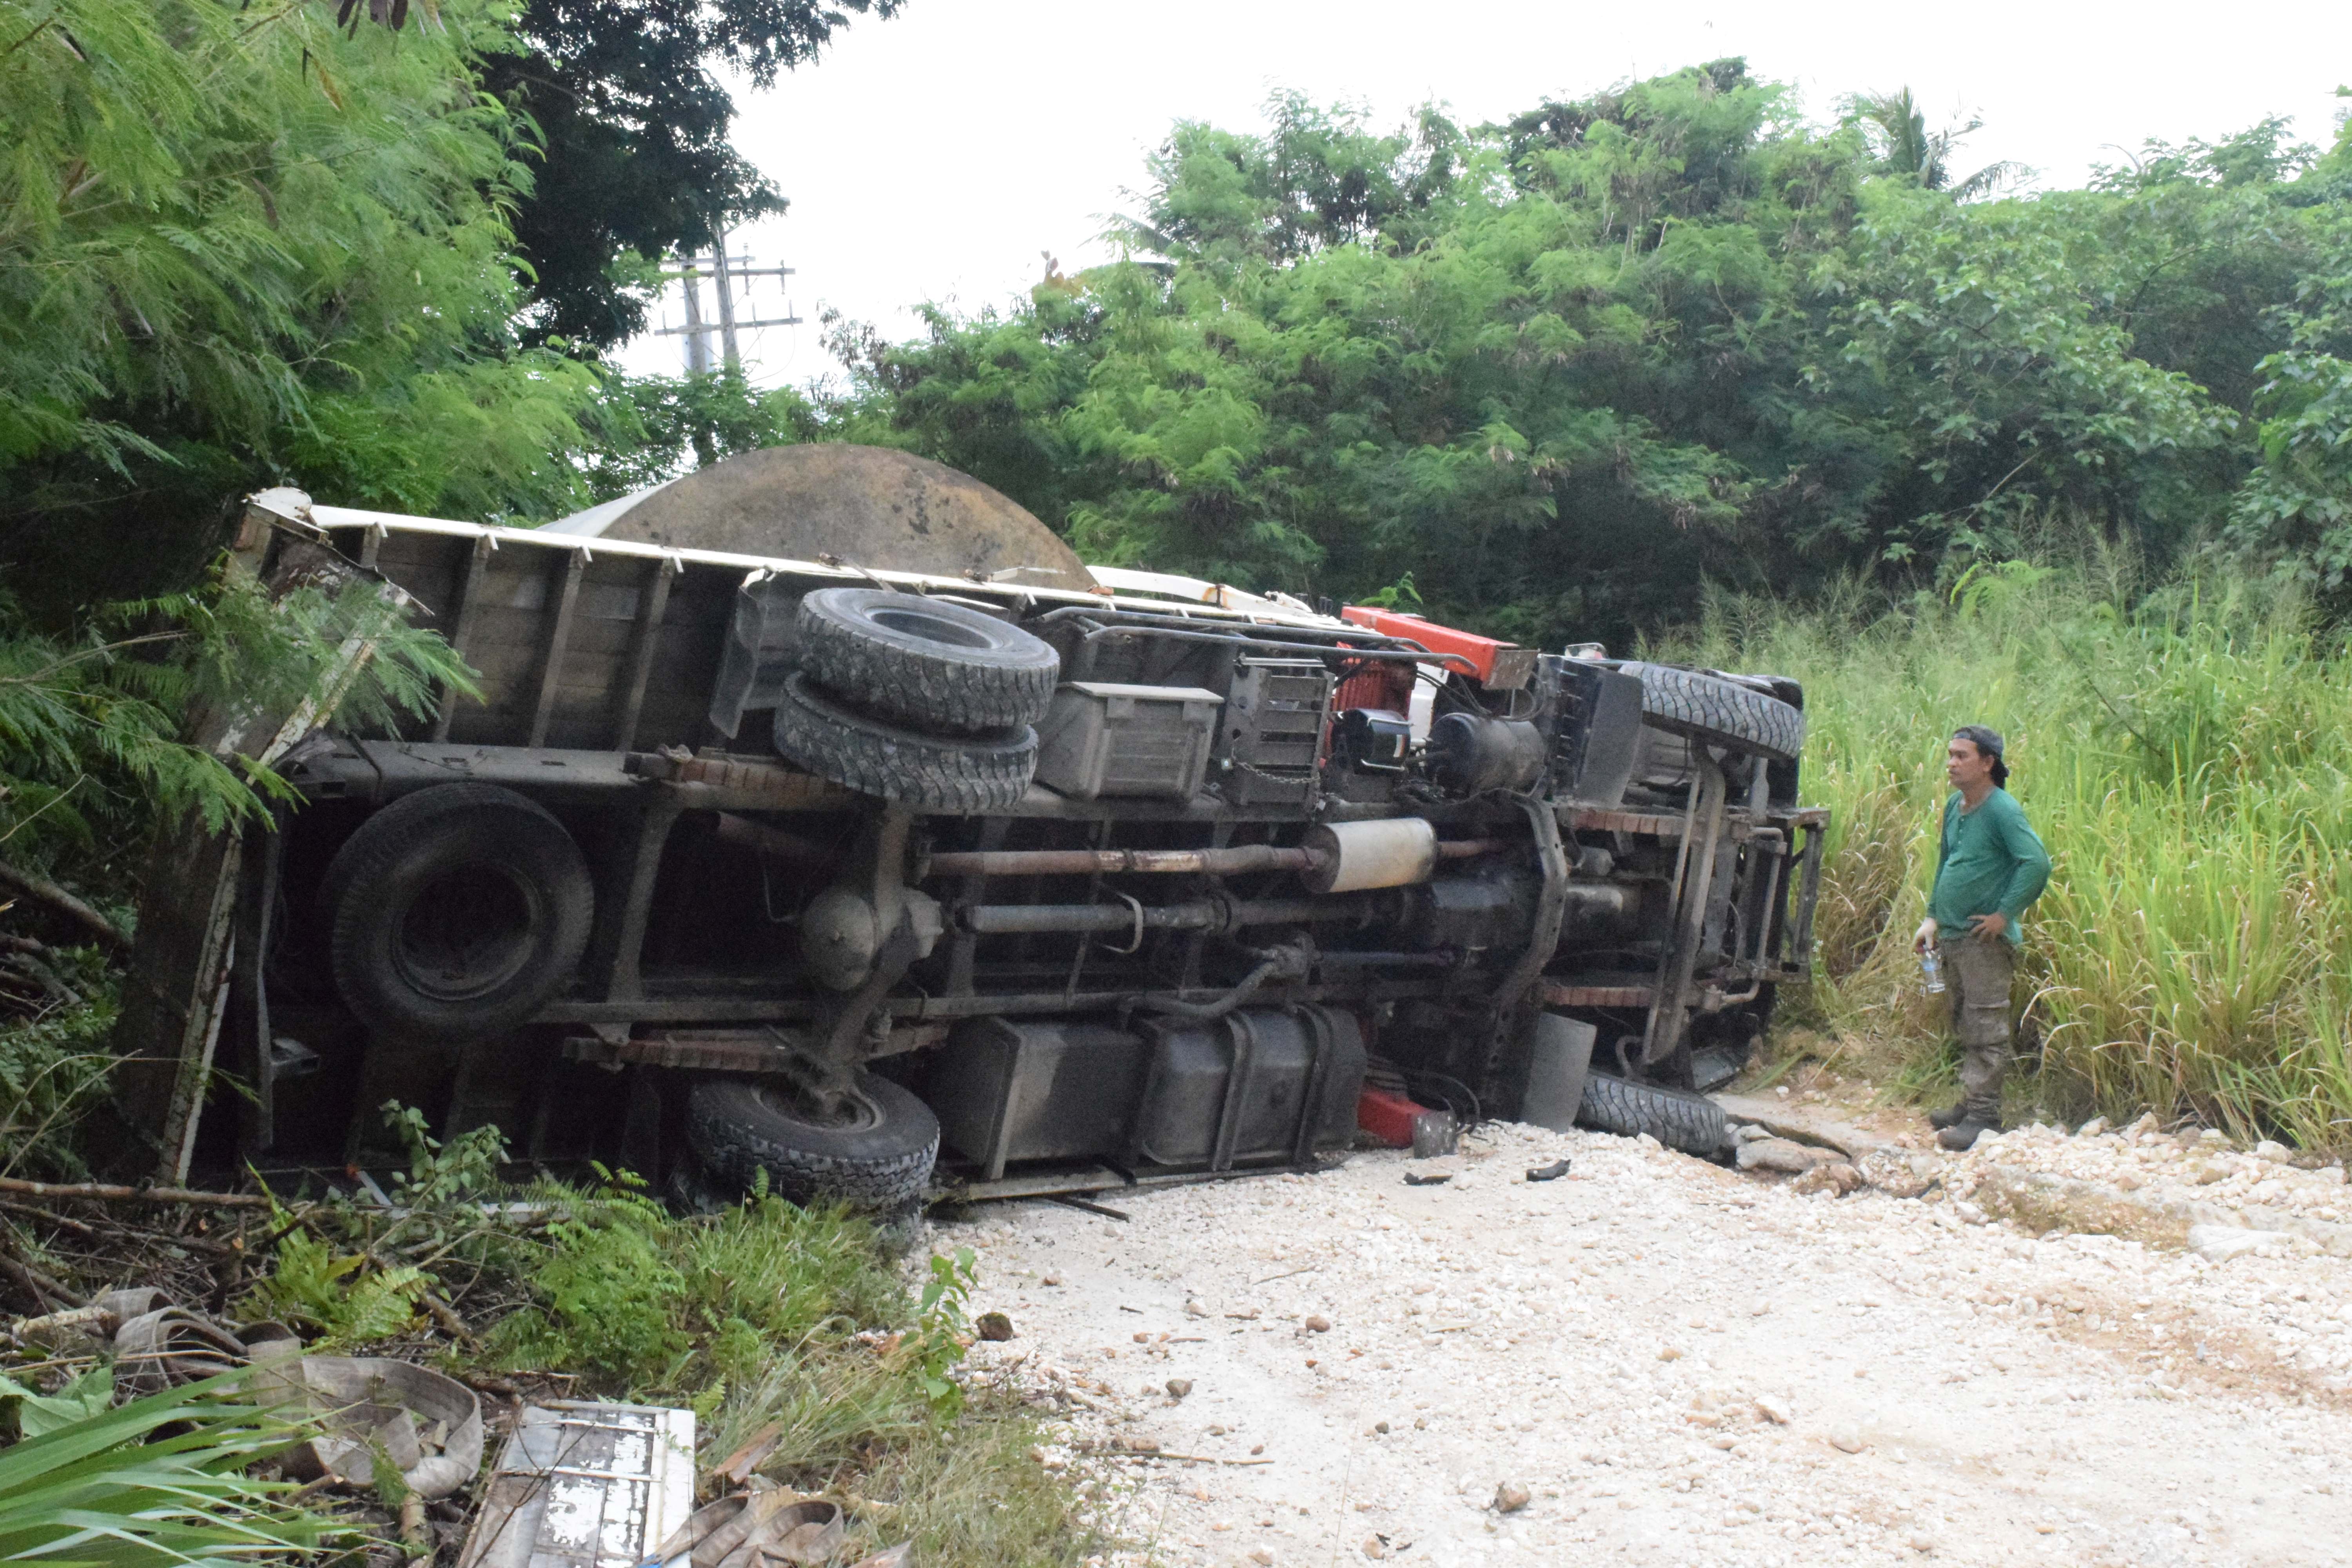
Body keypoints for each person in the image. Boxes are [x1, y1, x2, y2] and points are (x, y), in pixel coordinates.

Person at [1912, 725, 2051, 1151]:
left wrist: (2002, 915)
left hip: (1983, 941)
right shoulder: (1957, 805)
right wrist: (1932, 917)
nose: (1951, 763)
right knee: (1964, 1019)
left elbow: (2037, 863)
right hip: (1953, 934)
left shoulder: (2002, 810)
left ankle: (1985, 1117)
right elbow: (1946, 861)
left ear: (1988, 763)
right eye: (1950, 755)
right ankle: (1971, 1104)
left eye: (1962, 756)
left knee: (1986, 1025)